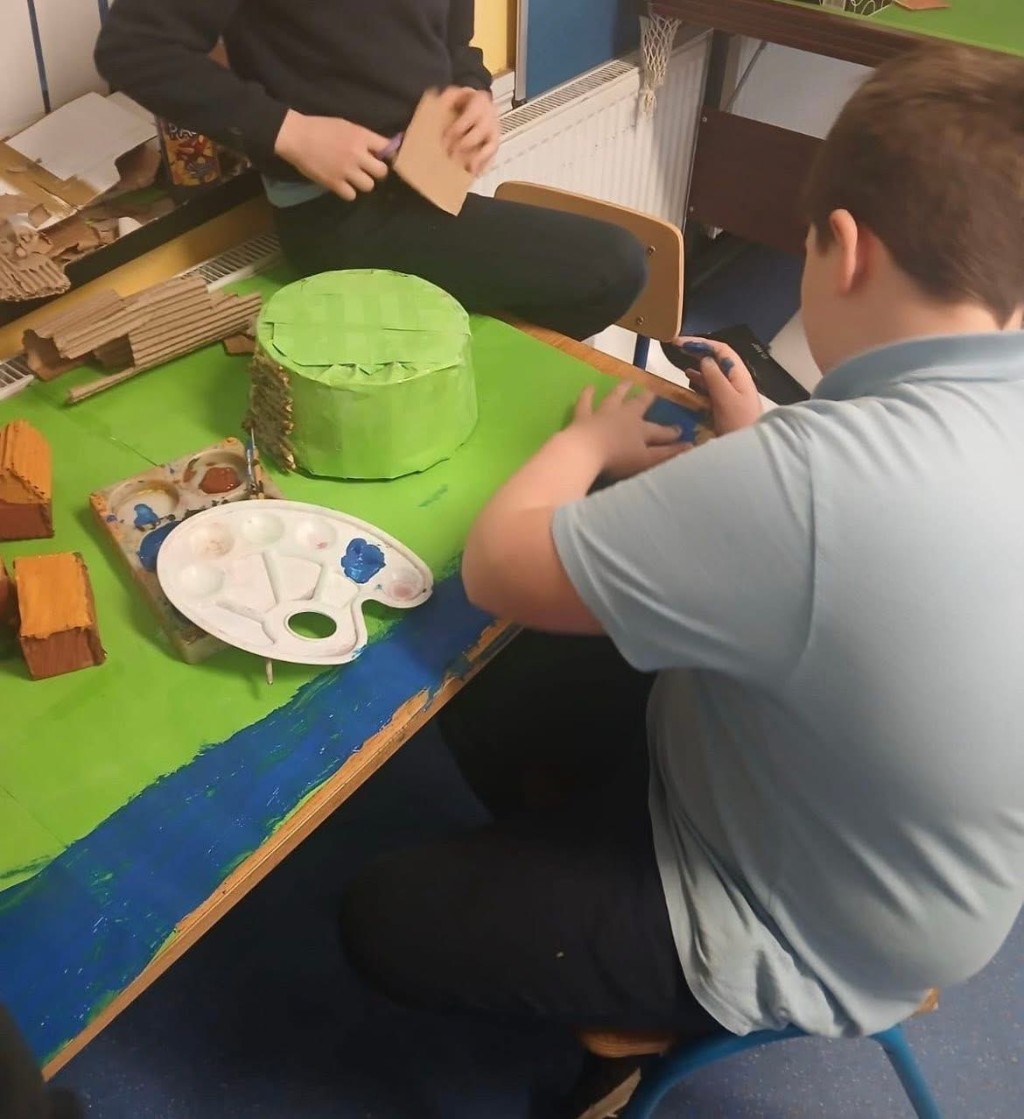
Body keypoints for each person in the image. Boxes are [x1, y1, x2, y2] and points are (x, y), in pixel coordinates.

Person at [338, 43, 1024, 1117]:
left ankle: (646, 996)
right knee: (525, 681)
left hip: (809, 928)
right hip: (931, 880)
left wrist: (587, 444)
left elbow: (501, 565)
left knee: (385, 915)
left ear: (842, 249)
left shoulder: (810, 483)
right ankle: (579, 854)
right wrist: (769, 436)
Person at [94, 1, 647, 342]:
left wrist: (474, 89)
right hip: (339, 214)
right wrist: (290, 132)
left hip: (429, 182)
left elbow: (453, 38)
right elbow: (133, 49)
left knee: (600, 273)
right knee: (613, 265)